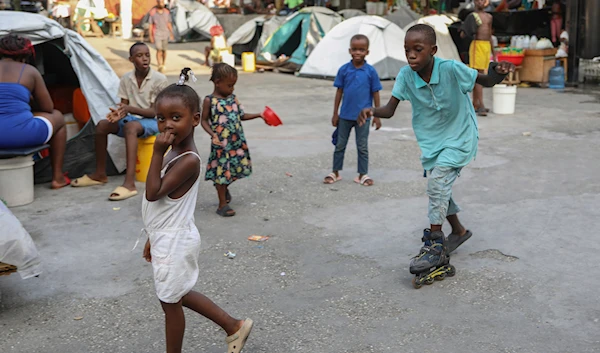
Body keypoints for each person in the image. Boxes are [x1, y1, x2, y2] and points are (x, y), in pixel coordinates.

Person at [357, 24, 514, 276]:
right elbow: (388, 109)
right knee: (440, 187)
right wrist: (371, 110)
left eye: (418, 50)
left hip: (460, 137)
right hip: (433, 142)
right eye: (407, 50)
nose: (411, 56)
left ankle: (435, 244)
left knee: (438, 183)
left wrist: (498, 71)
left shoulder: (451, 69)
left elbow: (486, 80)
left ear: (433, 50)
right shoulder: (406, 76)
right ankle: (459, 231)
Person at [142, 68, 253, 353]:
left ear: (195, 120)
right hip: (168, 237)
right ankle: (233, 326)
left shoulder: (188, 160)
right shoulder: (175, 152)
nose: (167, 125)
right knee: (176, 295)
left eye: (175, 118)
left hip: (176, 241)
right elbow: (167, 206)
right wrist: (152, 237)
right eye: (161, 118)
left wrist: (155, 153)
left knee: (170, 302)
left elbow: (153, 193)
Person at [72, 42, 168, 201]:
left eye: (147, 55)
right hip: (133, 119)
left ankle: (129, 183)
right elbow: (124, 106)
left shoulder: (159, 79)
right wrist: (119, 114)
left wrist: (128, 109)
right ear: (131, 59)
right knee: (102, 125)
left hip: (154, 121)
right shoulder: (126, 78)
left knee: (131, 127)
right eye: (139, 56)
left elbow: (154, 112)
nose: (144, 59)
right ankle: (100, 174)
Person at [0, 34, 69, 189]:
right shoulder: (30, 71)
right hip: (22, 135)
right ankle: (57, 177)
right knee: (57, 116)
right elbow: (48, 108)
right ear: (26, 54)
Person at [201, 63, 264, 217]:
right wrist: (213, 134)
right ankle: (222, 204)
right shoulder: (210, 101)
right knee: (222, 172)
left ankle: (223, 188)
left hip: (236, 142)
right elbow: (203, 121)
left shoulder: (233, 99)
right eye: (229, 85)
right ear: (217, 82)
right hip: (221, 144)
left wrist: (259, 114)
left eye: (234, 85)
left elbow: (241, 116)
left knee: (236, 170)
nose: (232, 89)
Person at [323, 34, 382, 187]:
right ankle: (335, 172)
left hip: (364, 117)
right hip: (345, 116)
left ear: (367, 52)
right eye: (355, 49)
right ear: (349, 50)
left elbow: (376, 92)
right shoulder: (344, 70)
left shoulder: (370, 71)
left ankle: (363, 174)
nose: (358, 53)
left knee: (362, 146)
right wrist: (335, 113)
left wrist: (377, 115)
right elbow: (339, 92)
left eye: (361, 50)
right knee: (340, 145)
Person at [461, 0, 494, 116]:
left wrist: (493, 52)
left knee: (480, 74)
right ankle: (481, 105)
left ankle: (476, 103)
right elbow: (463, 33)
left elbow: (490, 35)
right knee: (478, 75)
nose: (480, 2)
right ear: (474, 2)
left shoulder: (489, 17)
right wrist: (468, 29)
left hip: (486, 46)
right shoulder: (472, 16)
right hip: (477, 46)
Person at [149, 0, 175, 73]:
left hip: (165, 34)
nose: (162, 4)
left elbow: (169, 23)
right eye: (160, 2)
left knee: (164, 50)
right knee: (159, 49)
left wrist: (171, 33)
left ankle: (163, 63)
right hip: (157, 34)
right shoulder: (153, 13)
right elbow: (150, 25)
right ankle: (159, 64)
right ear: (157, 3)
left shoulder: (167, 12)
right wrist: (150, 36)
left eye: (163, 2)